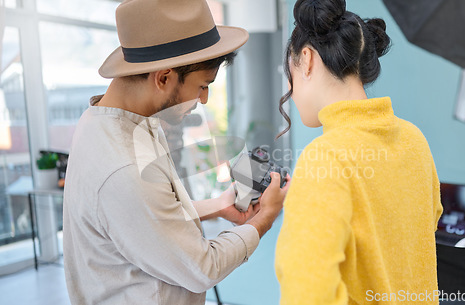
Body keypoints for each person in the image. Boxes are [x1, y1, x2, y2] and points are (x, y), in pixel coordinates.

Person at [63, 0, 289, 304]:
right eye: (202, 86)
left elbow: (142, 220)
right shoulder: (123, 166)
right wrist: (264, 219)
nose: (205, 99)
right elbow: (202, 267)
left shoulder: (105, 120)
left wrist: (217, 206)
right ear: (164, 78)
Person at [274, 0, 443, 304]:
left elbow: (308, 294)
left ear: (308, 60)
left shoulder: (325, 158)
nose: (290, 91)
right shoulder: (414, 140)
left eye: (290, 74)